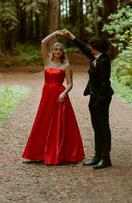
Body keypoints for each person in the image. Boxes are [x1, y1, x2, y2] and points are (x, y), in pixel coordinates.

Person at [22, 30, 85, 165]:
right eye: (55, 49)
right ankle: (38, 153)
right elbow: (43, 43)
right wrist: (56, 33)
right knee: (43, 121)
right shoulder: (47, 61)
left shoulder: (66, 66)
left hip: (59, 96)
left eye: (60, 50)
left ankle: (59, 153)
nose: (57, 51)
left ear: (63, 52)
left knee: (58, 124)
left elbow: (70, 84)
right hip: (47, 95)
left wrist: (64, 93)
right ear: (52, 51)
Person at [61, 29, 114, 170]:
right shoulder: (95, 57)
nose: (90, 48)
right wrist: (70, 36)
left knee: (103, 127)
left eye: (92, 46)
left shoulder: (104, 61)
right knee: (96, 127)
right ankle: (97, 156)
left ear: (97, 48)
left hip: (101, 99)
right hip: (94, 97)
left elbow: (104, 83)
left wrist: (99, 101)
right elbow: (83, 47)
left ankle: (106, 158)